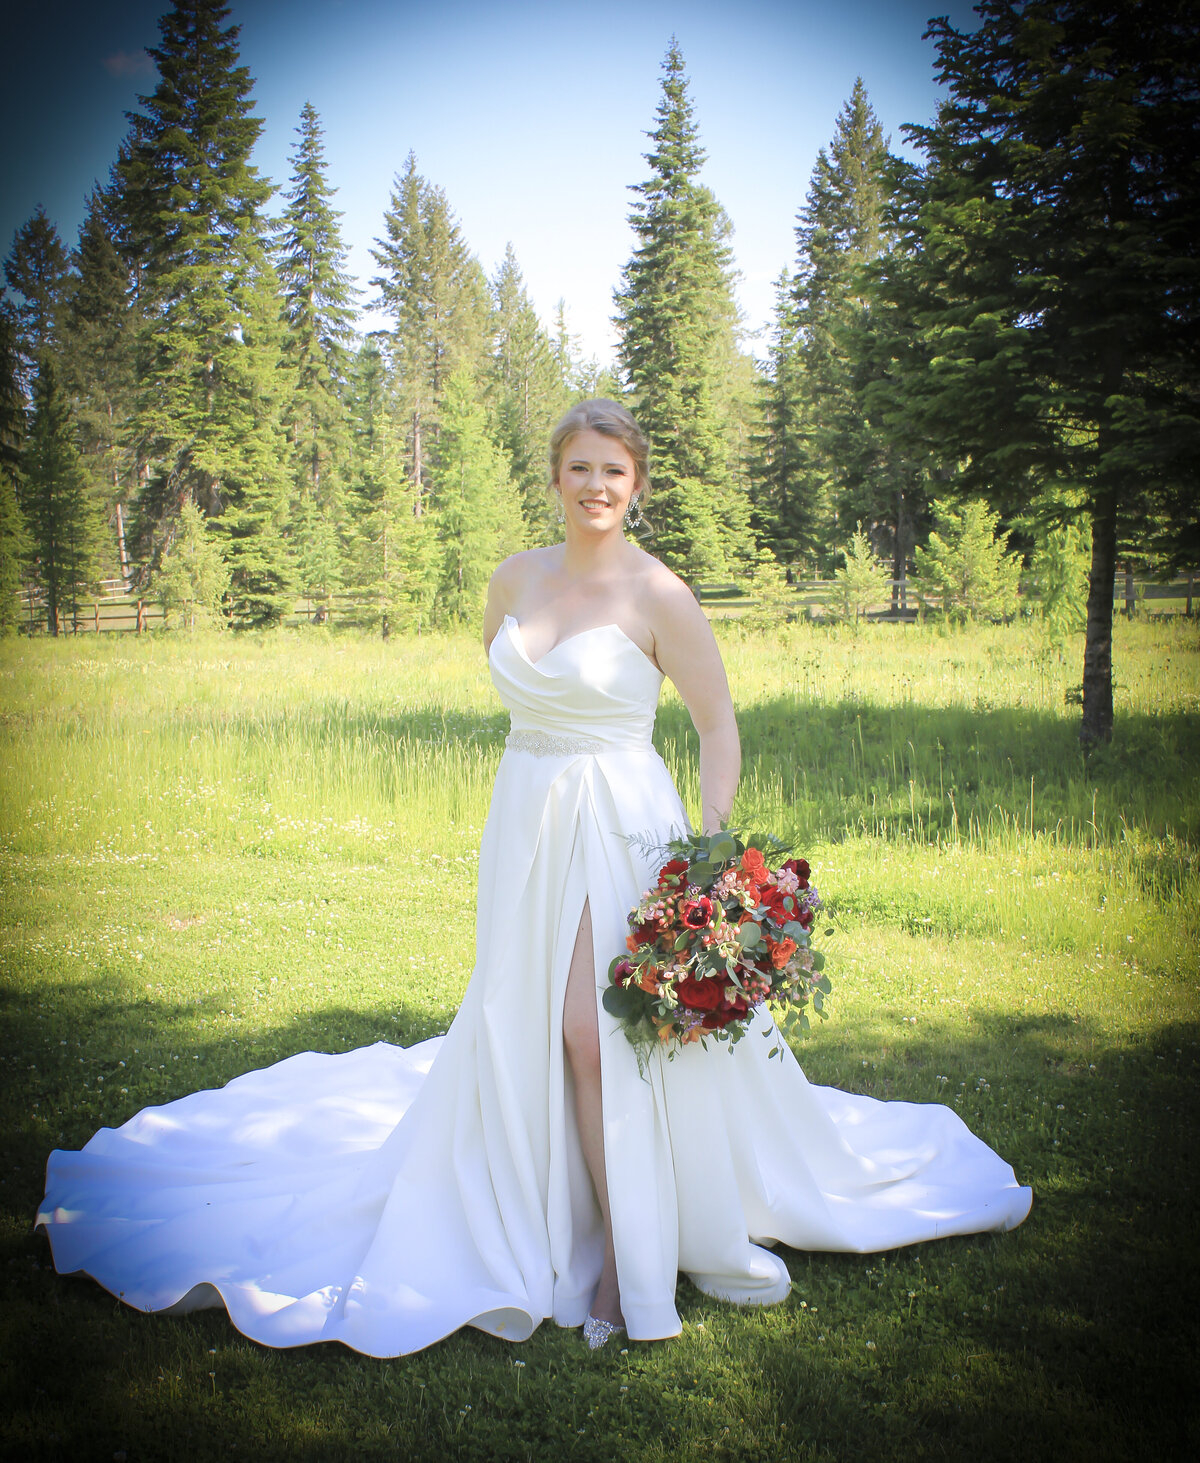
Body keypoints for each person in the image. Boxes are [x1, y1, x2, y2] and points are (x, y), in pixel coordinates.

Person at [36, 400, 1031, 1357]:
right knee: (528, 1027)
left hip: (623, 822)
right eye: (579, 467)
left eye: (615, 469)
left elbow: (717, 723)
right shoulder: (512, 581)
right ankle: (550, 1214)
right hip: (525, 817)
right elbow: (512, 683)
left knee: (590, 1031)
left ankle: (617, 1266)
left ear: (636, 483)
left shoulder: (659, 592)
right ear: (555, 475)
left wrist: (710, 856)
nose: (596, 484)